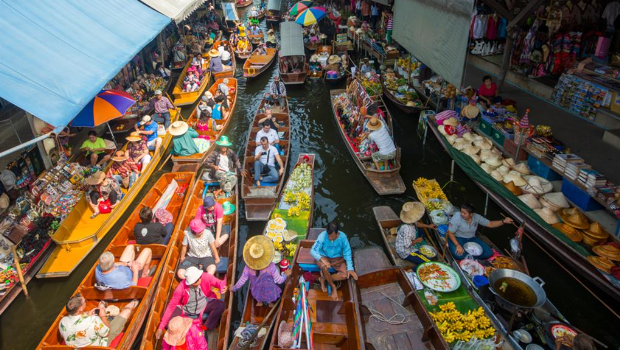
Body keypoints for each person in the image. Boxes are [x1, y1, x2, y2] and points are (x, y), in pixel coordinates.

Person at [156, 266, 227, 340]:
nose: (200, 280)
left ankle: (206, 326)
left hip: (204, 303)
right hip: (186, 308)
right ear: (191, 283)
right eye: (196, 280)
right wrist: (161, 327)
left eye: (200, 277)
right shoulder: (180, 288)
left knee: (220, 305)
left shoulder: (205, 277)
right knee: (170, 322)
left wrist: (222, 287)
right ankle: (185, 333)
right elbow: (171, 307)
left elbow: (219, 282)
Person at [59, 293, 138, 348]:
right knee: (127, 311)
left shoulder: (62, 321)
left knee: (99, 313)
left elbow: (77, 322)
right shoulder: (93, 320)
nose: (85, 301)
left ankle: (102, 304)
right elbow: (107, 333)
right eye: (85, 301)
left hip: (79, 346)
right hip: (99, 345)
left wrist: (87, 314)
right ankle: (134, 302)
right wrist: (103, 316)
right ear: (80, 309)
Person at [233, 236, 291, 307]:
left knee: (258, 294)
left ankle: (259, 302)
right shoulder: (271, 266)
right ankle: (270, 303)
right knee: (273, 292)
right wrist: (285, 275)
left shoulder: (247, 268)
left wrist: (234, 288)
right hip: (269, 290)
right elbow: (279, 281)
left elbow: (241, 281)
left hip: (256, 290)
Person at [447, 203, 514, 260]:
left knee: (489, 253)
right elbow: (450, 233)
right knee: (458, 255)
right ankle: (470, 258)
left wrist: (503, 221)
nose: (462, 214)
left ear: (471, 214)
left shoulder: (477, 217)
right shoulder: (457, 218)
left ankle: (469, 258)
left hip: (471, 238)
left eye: (465, 213)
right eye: (461, 212)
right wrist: (458, 245)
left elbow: (490, 224)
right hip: (458, 238)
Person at [310, 221, 358, 301]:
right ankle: (333, 286)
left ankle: (324, 279)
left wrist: (350, 268)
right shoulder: (322, 236)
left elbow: (347, 252)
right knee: (324, 267)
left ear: (337, 233)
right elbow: (313, 251)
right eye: (328, 235)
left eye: (332, 236)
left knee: (346, 274)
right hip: (323, 256)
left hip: (336, 258)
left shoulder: (343, 237)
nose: (330, 238)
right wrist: (322, 260)